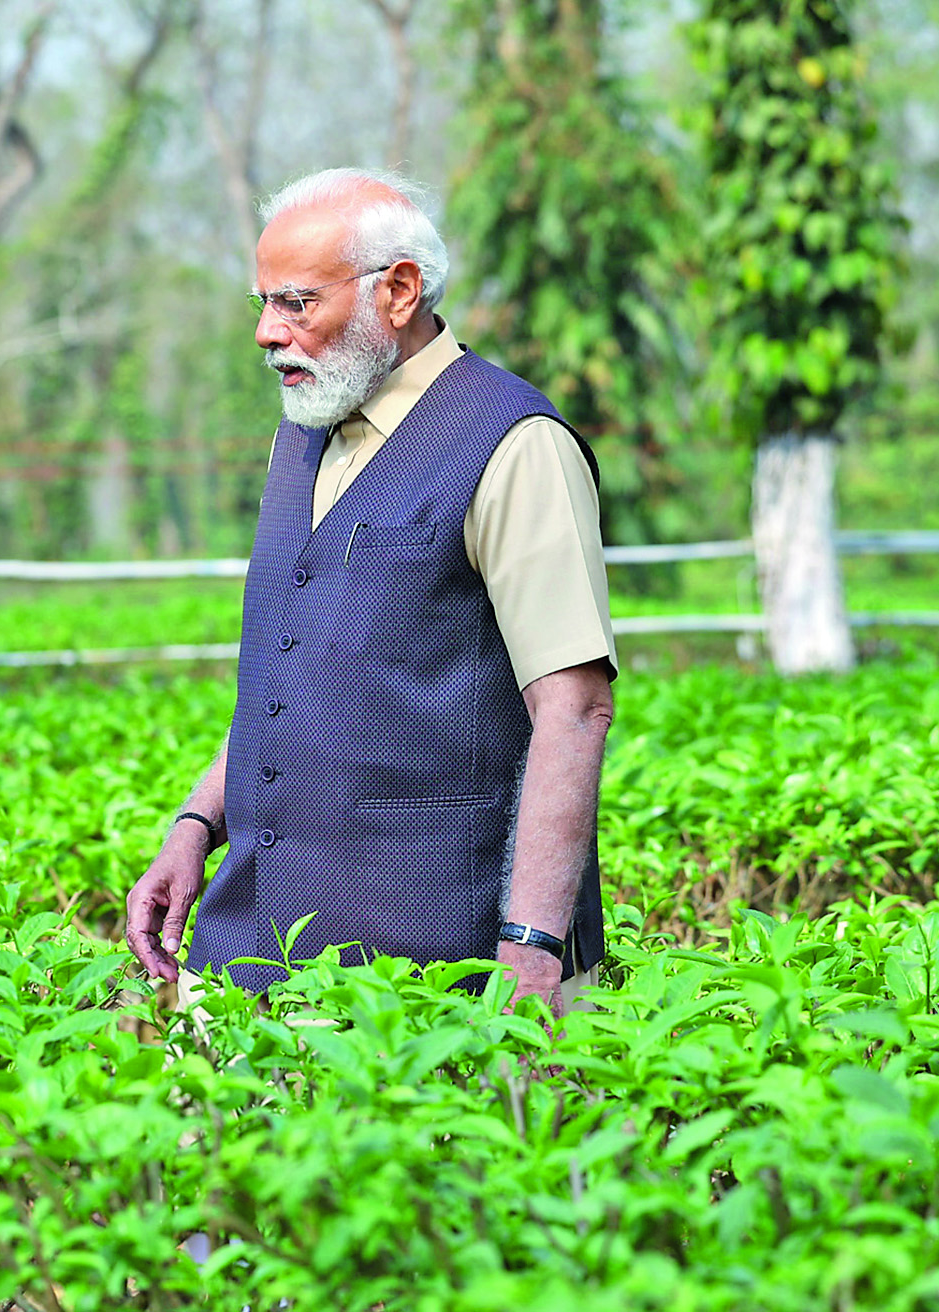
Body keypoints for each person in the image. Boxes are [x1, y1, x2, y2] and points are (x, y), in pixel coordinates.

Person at [123, 168, 617, 1016]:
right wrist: (195, 825)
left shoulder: (516, 443)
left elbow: (574, 708)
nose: (267, 333)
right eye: (262, 304)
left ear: (398, 290)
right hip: (252, 950)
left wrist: (533, 946)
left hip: (435, 971)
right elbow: (295, 675)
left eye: (297, 303)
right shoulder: (305, 432)